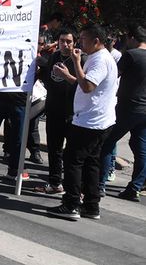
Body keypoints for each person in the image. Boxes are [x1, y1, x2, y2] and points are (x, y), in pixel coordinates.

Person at [47, 24, 118, 221]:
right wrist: (68, 76)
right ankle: (91, 205)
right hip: (95, 119)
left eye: (84, 39)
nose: (80, 43)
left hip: (90, 121)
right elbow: (82, 83)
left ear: (96, 41)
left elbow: (87, 86)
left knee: (73, 161)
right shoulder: (99, 58)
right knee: (91, 163)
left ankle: (71, 204)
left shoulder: (99, 60)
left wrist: (76, 62)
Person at [34, 28, 84, 194]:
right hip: (53, 110)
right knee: (54, 149)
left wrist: (67, 75)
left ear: (74, 43)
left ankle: (75, 189)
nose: (65, 44)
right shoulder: (54, 56)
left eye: (69, 41)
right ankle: (55, 183)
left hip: (72, 113)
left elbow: (85, 86)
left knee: (72, 154)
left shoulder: (80, 59)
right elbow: (47, 77)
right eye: (62, 40)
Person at [99, 25, 146, 201]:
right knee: (142, 150)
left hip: (128, 107)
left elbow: (113, 75)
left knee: (107, 141)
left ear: (133, 38)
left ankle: (99, 184)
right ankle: (135, 188)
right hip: (144, 110)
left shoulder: (131, 55)